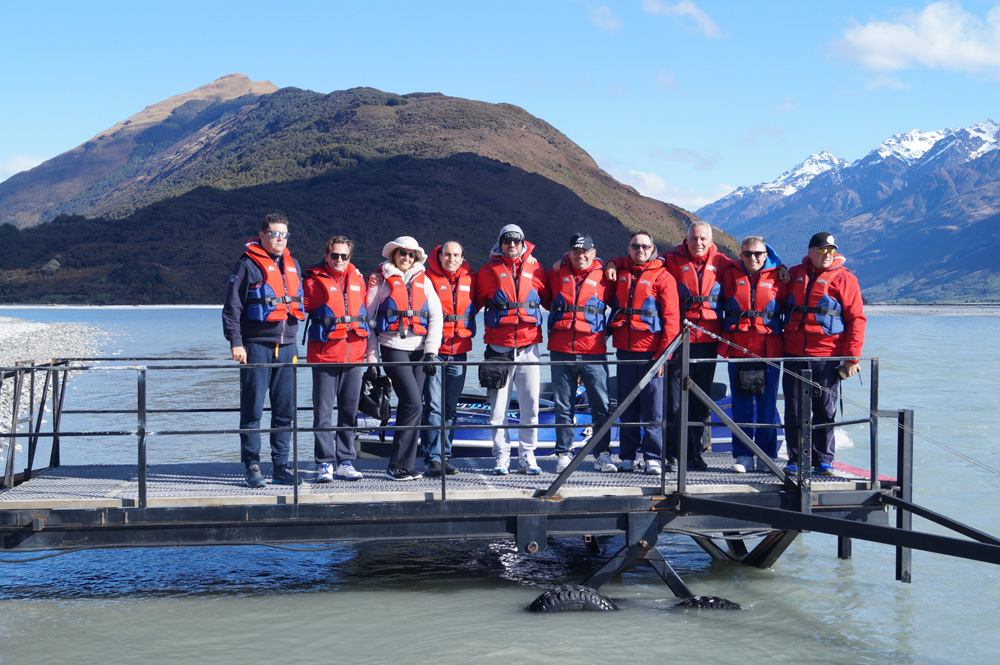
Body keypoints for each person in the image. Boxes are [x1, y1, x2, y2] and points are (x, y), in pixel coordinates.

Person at [222, 213, 305, 487]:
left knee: (285, 410)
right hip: (256, 345)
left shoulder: (294, 265)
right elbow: (232, 307)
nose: (280, 239)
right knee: (253, 408)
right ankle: (253, 466)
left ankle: (281, 466)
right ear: (262, 235)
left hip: (288, 345)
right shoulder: (247, 265)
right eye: (274, 233)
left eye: (284, 234)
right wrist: (236, 342)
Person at [782, 232, 867, 476]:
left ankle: (824, 460)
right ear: (810, 252)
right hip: (794, 354)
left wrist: (852, 358)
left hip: (827, 357)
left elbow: (857, 320)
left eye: (831, 250)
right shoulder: (796, 273)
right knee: (795, 410)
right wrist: (781, 268)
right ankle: (796, 459)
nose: (827, 254)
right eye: (822, 250)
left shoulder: (845, 279)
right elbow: (770, 266)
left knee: (824, 409)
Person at [475, 224, 551, 475]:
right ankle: (501, 458)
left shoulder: (537, 269)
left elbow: (552, 299)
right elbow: (470, 305)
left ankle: (528, 456)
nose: (512, 244)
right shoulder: (486, 272)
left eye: (516, 241)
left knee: (530, 407)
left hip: (529, 347)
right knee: (498, 410)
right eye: (507, 240)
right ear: (500, 243)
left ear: (523, 243)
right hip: (498, 348)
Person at [366, 236, 444, 481]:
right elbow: (368, 321)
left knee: (413, 405)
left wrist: (432, 351)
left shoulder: (425, 281)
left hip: (421, 351)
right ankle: (396, 466)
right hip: (393, 347)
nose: (406, 258)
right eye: (402, 253)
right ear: (394, 254)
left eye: (411, 255)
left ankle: (404, 466)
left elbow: (436, 317)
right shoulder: (379, 281)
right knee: (414, 403)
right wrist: (372, 358)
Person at [661, 221, 735, 470]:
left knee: (699, 401)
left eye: (703, 238)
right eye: (694, 238)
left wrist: (780, 269)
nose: (698, 243)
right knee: (672, 400)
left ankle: (693, 453)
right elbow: (642, 263)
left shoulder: (723, 262)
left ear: (710, 239)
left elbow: (754, 268)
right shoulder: (670, 259)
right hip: (678, 339)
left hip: (708, 341)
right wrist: (612, 264)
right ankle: (671, 453)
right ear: (686, 238)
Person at [608, 230, 680, 475]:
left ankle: (652, 457)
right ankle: (627, 456)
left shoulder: (663, 277)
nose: (640, 250)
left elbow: (672, 322)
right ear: (628, 249)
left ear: (653, 249)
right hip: (625, 351)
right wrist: (612, 262)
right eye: (635, 246)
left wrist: (663, 356)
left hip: (652, 355)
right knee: (626, 407)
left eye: (645, 246)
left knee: (653, 409)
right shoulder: (621, 273)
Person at [545, 233, 616, 473]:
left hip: (594, 351)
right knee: (563, 406)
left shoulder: (606, 276)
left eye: (584, 251)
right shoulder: (556, 272)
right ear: (569, 252)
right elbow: (543, 300)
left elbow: (622, 305)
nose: (580, 255)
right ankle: (564, 453)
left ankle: (602, 454)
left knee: (601, 405)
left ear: (593, 252)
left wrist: (608, 331)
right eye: (575, 251)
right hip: (561, 350)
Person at [302, 235, 368, 482]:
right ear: (326, 255)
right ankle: (325, 464)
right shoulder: (312, 282)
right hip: (324, 356)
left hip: (355, 355)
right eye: (334, 255)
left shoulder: (360, 279)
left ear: (350, 257)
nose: (339, 260)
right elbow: (299, 309)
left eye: (344, 256)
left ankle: (346, 461)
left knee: (349, 412)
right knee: (323, 413)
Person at [718, 236, 786, 473]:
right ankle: (743, 455)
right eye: (747, 253)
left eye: (758, 253)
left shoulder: (780, 276)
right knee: (741, 407)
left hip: (770, 352)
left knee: (767, 407)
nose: (753, 258)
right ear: (741, 254)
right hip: (738, 350)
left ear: (766, 254)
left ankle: (767, 456)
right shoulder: (729, 274)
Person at [421, 241, 477, 476]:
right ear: (440, 255)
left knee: (450, 408)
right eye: (447, 255)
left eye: (456, 255)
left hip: (460, 352)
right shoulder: (426, 277)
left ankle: (445, 456)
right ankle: (433, 459)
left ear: (462, 257)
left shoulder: (472, 279)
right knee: (433, 406)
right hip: (434, 351)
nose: (451, 259)